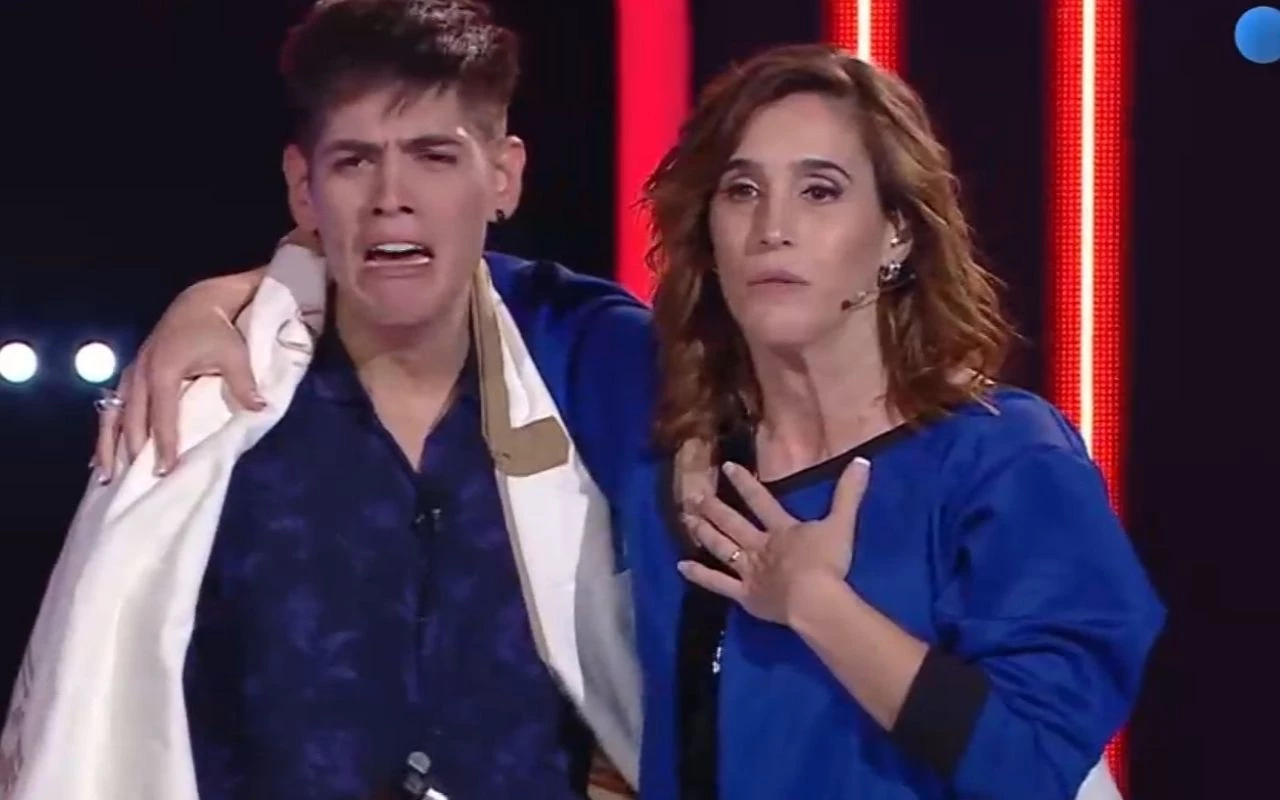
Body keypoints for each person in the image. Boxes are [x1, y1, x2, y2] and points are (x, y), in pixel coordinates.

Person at [89, 42, 1162, 800]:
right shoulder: (655, 419)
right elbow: (429, 268)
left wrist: (818, 605)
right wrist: (228, 297)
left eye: (821, 191)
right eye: (741, 191)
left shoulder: (1000, 457)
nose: (773, 228)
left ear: (895, 236)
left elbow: (1035, 764)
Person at [43, 1, 651, 798]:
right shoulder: (206, 415)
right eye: (354, 162)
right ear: (303, 188)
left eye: (434, 156)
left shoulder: (588, 364)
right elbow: (92, 721)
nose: (391, 196)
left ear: (503, 177)